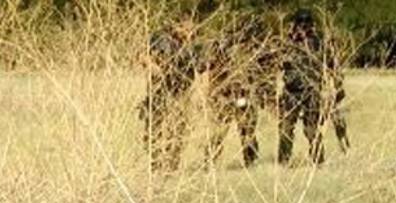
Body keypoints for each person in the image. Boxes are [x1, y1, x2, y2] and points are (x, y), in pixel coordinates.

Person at [203, 14, 278, 168]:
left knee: (245, 130)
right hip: (227, 95)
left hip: (241, 95)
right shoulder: (224, 46)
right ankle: (211, 162)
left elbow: (265, 72)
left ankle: (248, 161)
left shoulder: (254, 48)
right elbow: (211, 70)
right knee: (225, 131)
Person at [277, 8, 346, 165]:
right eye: (300, 22)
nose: (303, 26)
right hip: (291, 92)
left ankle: (318, 162)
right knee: (285, 129)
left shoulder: (319, 43)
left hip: (312, 92)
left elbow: (333, 66)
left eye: (306, 22)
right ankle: (283, 163)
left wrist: (338, 87)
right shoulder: (287, 43)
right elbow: (275, 63)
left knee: (312, 129)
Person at [138, 20, 200, 172]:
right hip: (160, 89)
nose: (189, 32)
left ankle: (172, 164)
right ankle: (156, 163)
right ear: (177, 26)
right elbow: (142, 55)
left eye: (191, 29)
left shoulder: (192, 46)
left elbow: (201, 68)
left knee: (179, 129)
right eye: (186, 28)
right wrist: (153, 67)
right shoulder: (160, 38)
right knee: (154, 128)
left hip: (182, 91)